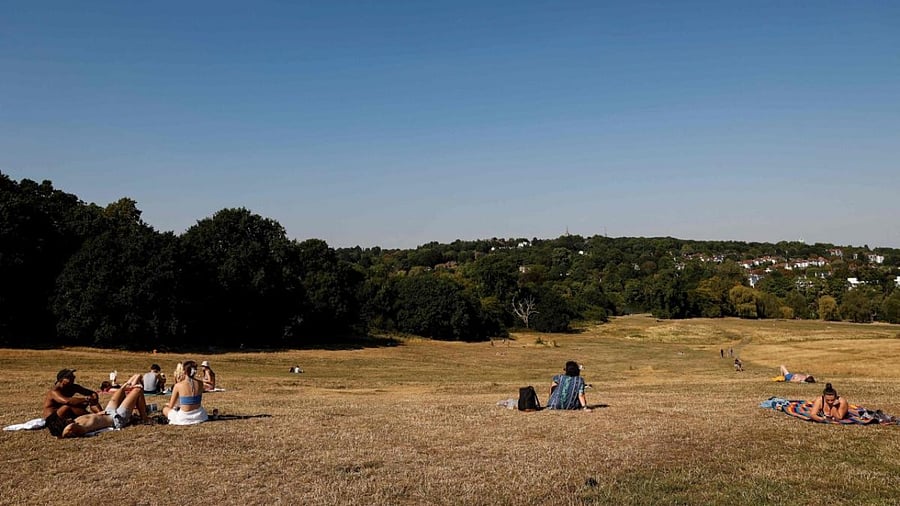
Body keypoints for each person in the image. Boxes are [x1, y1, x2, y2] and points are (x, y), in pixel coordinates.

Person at [46, 374, 150, 438]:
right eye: (64, 420)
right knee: (137, 390)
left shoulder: (76, 421)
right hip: (116, 418)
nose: (67, 418)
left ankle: (127, 386)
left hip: (108, 411)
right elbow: (67, 430)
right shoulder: (78, 428)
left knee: (120, 390)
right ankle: (144, 417)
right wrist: (59, 433)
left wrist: (99, 412)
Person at [163, 360, 208, 425]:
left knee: (165, 409)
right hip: (200, 415)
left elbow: (171, 405)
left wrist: (168, 405)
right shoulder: (200, 383)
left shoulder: (178, 385)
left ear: (184, 371)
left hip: (184, 417)